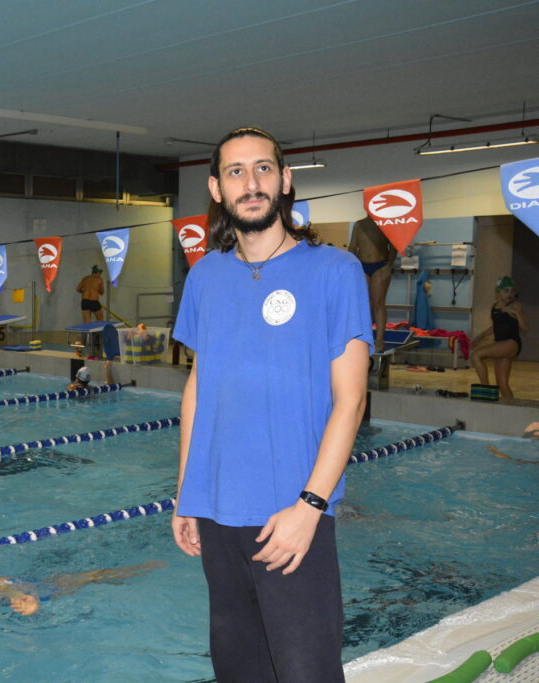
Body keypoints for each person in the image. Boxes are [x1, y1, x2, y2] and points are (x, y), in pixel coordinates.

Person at [171, 127, 372, 682]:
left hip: (291, 514)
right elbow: (198, 385)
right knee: (238, 670)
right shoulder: (206, 275)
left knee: (306, 672)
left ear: (284, 181)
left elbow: (350, 401)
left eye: (263, 168)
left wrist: (310, 507)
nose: (251, 182)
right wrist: (186, 492)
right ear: (216, 189)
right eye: (236, 171)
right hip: (215, 511)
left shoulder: (335, 271)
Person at [0, 559, 164, 615]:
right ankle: (142, 570)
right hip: (50, 591)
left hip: (42, 586)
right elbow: (13, 593)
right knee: (95, 576)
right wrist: (29, 601)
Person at [470, 276, 527, 399]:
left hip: (511, 343)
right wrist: (481, 336)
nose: (509, 294)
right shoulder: (495, 307)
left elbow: (525, 327)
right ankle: (511, 409)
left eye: (512, 291)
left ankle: (485, 388)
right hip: (501, 344)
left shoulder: (515, 306)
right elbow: (495, 326)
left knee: (476, 355)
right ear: (498, 292)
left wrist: (516, 313)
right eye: (505, 290)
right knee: (502, 384)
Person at [348, 215, 398, 350]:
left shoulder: (385, 223)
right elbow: (353, 247)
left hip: (380, 266)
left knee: (378, 303)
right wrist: (351, 267)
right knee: (364, 304)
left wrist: (389, 266)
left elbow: (393, 246)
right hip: (362, 266)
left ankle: (380, 340)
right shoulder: (359, 224)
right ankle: (365, 337)